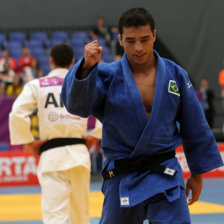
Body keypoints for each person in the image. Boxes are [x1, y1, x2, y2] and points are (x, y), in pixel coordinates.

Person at [61, 8, 223, 224]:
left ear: (154, 36)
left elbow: (194, 124)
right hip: (122, 176)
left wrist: (197, 173)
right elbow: (78, 106)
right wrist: (86, 69)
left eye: (145, 39)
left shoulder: (175, 75)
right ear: (120, 39)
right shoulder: (107, 75)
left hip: (165, 175)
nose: (138, 47)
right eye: (130, 41)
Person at [9, 43, 96, 224]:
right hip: (79, 156)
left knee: (54, 218)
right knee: (80, 217)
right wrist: (96, 136)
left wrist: (29, 142)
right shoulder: (83, 85)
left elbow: (17, 113)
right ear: (72, 63)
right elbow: (108, 108)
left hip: (52, 157)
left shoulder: (37, 85)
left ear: (50, 62)